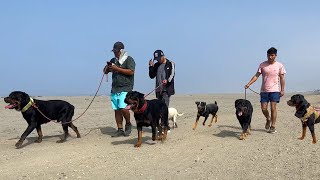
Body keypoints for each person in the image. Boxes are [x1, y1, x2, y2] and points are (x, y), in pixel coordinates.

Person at [245, 47, 286, 134]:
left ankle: (273, 126)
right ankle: (268, 118)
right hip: (264, 90)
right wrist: (249, 84)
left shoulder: (280, 65)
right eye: (268, 55)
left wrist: (282, 90)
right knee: (264, 109)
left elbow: (282, 78)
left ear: (276, 55)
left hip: (275, 90)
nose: (270, 57)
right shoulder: (262, 65)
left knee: (273, 108)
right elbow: (256, 75)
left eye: (272, 55)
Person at [103, 41, 135, 137]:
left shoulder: (129, 59)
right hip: (115, 88)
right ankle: (120, 129)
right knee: (117, 109)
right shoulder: (113, 60)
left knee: (123, 108)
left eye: (116, 51)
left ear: (121, 51)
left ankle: (128, 123)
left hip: (125, 87)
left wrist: (117, 69)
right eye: (114, 51)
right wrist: (108, 68)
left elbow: (131, 72)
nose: (115, 53)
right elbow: (104, 72)